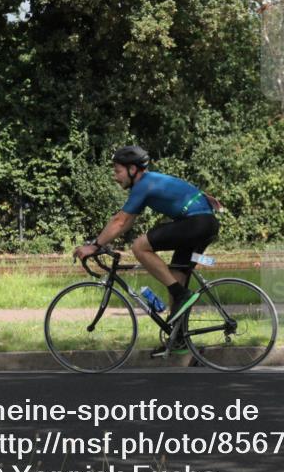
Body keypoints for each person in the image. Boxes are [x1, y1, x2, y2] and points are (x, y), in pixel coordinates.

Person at [72, 145, 220, 355]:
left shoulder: (144, 185)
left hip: (196, 223)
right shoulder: (149, 182)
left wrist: (94, 246)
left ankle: (182, 295)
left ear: (133, 169)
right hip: (204, 222)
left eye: (117, 171)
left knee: (139, 247)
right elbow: (125, 221)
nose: (115, 177)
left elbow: (120, 221)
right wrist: (100, 242)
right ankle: (178, 340)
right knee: (176, 276)